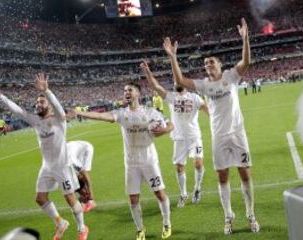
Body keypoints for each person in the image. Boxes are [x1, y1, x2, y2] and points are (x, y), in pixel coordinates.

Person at [162, 18, 260, 235]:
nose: (207, 66)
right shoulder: (204, 85)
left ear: (220, 65)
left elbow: (247, 62)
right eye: (205, 64)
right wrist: (173, 57)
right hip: (218, 137)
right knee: (222, 177)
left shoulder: (231, 77)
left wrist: (246, 39)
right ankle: (228, 216)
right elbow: (179, 79)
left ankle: (250, 214)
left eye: (211, 63)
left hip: (237, 134)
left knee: (245, 174)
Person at [68, 82, 173, 240]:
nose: (126, 92)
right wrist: (79, 113)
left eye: (129, 89)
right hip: (131, 163)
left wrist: (165, 130)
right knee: (133, 199)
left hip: (149, 160)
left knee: (159, 193)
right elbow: (102, 116)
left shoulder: (151, 112)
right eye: (124, 90)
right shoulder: (122, 114)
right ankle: (140, 229)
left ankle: (166, 224)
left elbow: (170, 123)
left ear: (138, 93)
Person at [0, 75, 89, 240]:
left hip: (63, 166)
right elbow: (18, 110)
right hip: (47, 166)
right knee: (40, 198)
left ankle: (82, 227)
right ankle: (60, 223)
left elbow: (58, 106)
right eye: (37, 102)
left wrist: (46, 91)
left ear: (49, 106)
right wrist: (0, 96)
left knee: (69, 198)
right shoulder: (36, 120)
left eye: (41, 102)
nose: (37, 104)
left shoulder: (59, 119)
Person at [140, 60, 207, 208]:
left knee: (198, 163)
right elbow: (155, 86)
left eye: (178, 79)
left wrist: (215, 118)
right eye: (174, 80)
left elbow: (206, 108)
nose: (175, 81)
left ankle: (197, 189)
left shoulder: (195, 98)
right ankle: (183, 193)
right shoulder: (171, 97)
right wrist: (148, 71)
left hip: (194, 136)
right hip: (179, 138)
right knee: (179, 167)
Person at [67, 140, 97, 213]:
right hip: (73, 149)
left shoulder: (73, 161)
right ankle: (83, 200)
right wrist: (80, 199)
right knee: (74, 179)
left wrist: (91, 197)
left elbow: (86, 177)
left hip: (86, 149)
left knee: (84, 173)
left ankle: (90, 201)